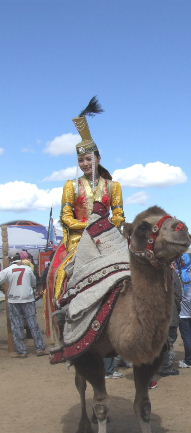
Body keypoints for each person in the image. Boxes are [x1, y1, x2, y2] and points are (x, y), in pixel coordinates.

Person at [45, 98, 125, 338]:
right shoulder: (71, 185)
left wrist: (105, 226)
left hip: (107, 239)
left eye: (89, 159)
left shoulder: (113, 186)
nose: (85, 163)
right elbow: (65, 216)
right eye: (81, 160)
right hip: (78, 241)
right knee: (56, 274)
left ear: (98, 159)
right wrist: (85, 226)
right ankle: (63, 316)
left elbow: (119, 214)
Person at [0, 254, 47, 358]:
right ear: (20, 260)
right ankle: (40, 348)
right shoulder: (28, 269)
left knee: (17, 325)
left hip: (14, 300)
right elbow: (33, 283)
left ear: (10, 260)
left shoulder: (7, 270)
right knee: (33, 324)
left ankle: (22, 351)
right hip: (28, 299)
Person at [158, 263, 182, 376]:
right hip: (169, 313)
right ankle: (165, 366)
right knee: (169, 341)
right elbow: (178, 294)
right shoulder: (172, 274)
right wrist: (177, 308)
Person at [177, 253, 191, 368]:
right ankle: (190, 359)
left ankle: (190, 361)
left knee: (187, 337)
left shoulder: (181, 275)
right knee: (190, 335)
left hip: (183, 312)